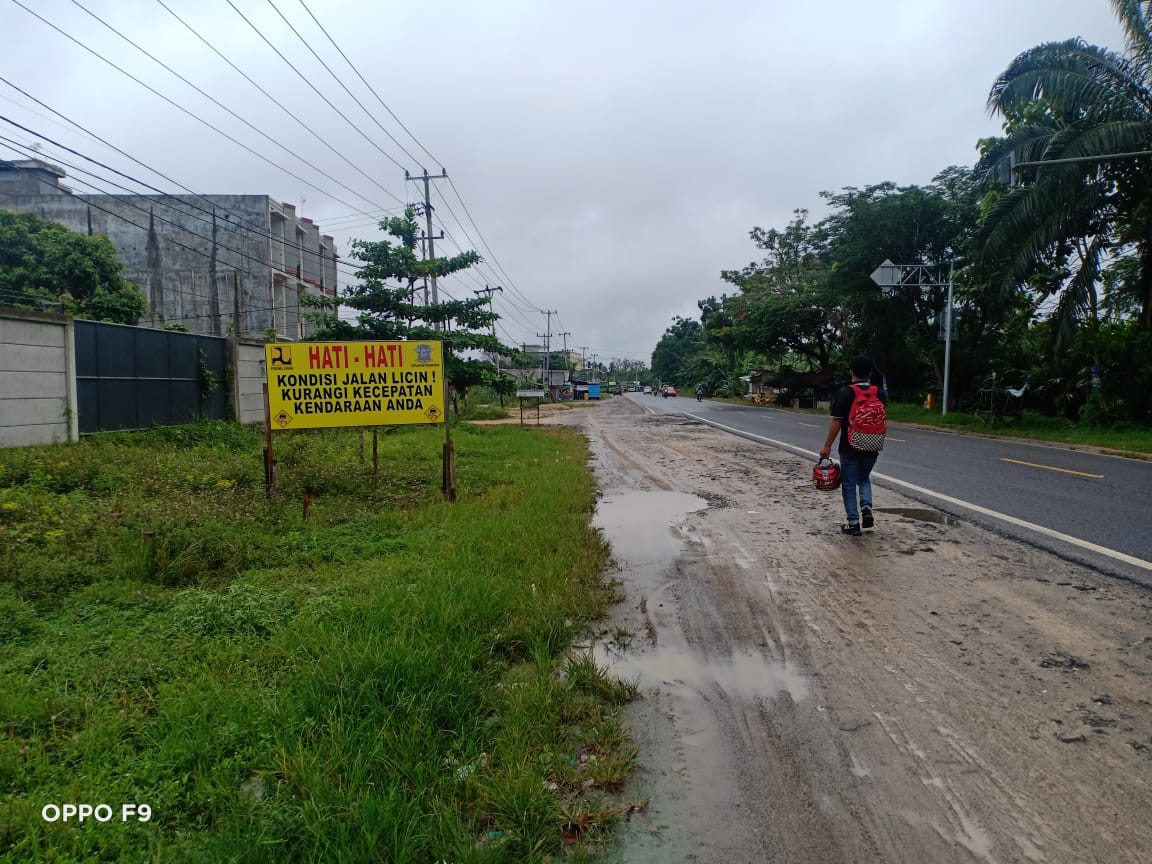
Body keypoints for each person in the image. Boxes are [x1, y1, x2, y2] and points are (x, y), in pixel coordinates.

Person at [818, 355, 887, 536]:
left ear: (851, 372)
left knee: (849, 483)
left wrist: (827, 446)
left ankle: (854, 523)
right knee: (863, 477)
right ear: (870, 373)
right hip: (873, 444)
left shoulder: (845, 392)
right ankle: (866, 508)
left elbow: (837, 422)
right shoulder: (879, 393)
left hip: (850, 446)